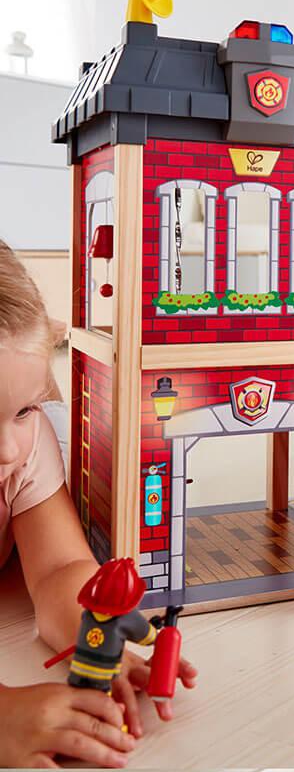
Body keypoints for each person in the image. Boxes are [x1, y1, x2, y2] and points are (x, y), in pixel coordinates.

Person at [0, 241, 196, 768]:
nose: (9, 450)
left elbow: (60, 569)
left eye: (23, 410)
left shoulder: (28, 447)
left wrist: (98, 645)